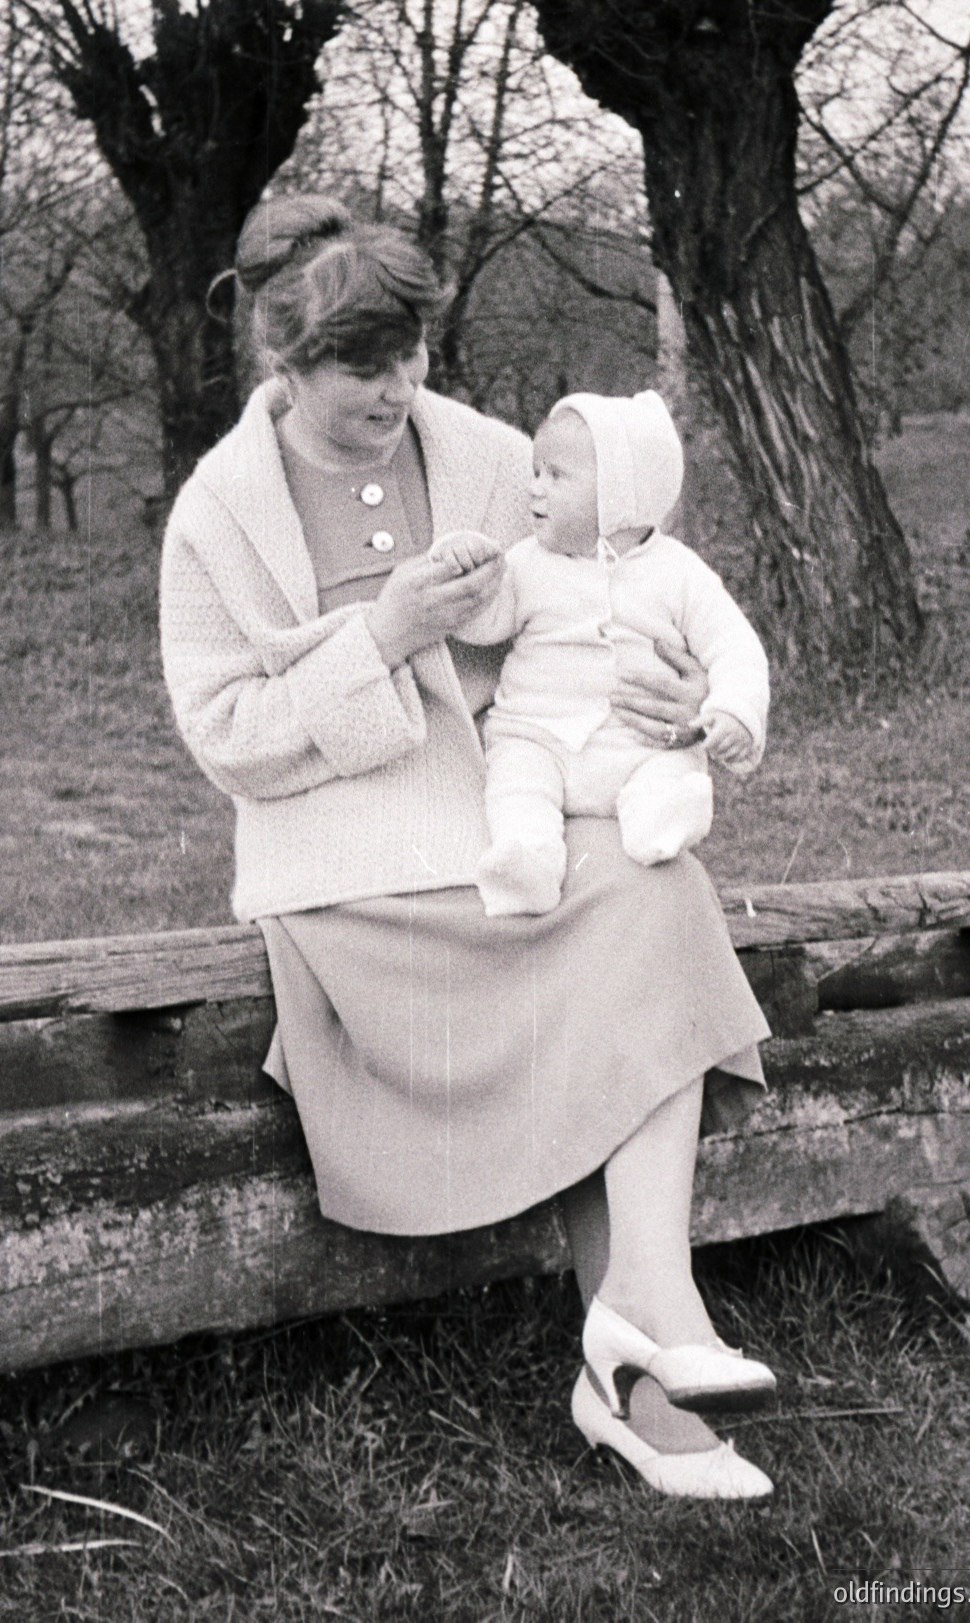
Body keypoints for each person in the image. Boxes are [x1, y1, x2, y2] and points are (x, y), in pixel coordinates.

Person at [160, 194, 776, 1500]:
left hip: (511, 816)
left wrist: (669, 694)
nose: (395, 388)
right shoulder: (215, 518)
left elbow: (612, 600)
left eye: (411, 357)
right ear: (284, 357)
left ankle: (644, 1325)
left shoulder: (497, 455)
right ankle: (647, 1360)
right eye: (359, 366)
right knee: (609, 936)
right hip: (350, 877)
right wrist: (378, 637)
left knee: (654, 892)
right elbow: (230, 741)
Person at [429, 389, 769, 917]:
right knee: (516, 784)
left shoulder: (678, 573)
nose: (534, 488)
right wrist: (460, 570)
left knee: (668, 769)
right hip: (536, 735)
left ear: (619, 494)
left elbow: (734, 646)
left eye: (555, 476)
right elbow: (484, 624)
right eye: (535, 472)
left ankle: (663, 817)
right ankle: (526, 861)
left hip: (634, 743)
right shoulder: (526, 562)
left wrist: (735, 711)